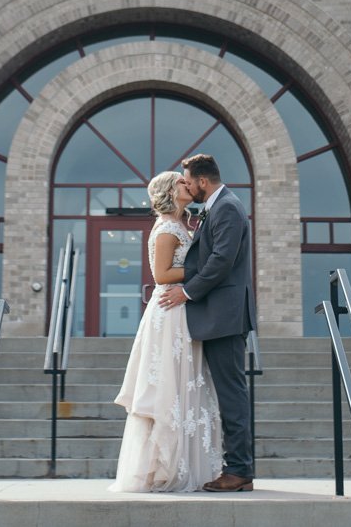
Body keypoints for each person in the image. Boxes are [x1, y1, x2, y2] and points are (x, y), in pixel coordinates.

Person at [108, 169, 223, 492]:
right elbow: (161, 274)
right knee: (168, 388)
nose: (188, 185)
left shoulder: (182, 224)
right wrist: (202, 268)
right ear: (171, 193)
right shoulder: (168, 228)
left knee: (184, 385)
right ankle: (161, 467)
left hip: (182, 309)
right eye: (182, 183)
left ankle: (182, 462)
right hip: (170, 312)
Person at [157, 153, 256, 492]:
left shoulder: (226, 207)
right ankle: (237, 468)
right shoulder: (216, 207)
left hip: (225, 316)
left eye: (189, 181)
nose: (188, 187)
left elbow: (221, 261)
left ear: (203, 181)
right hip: (218, 315)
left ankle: (239, 469)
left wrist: (187, 292)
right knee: (228, 393)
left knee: (232, 394)